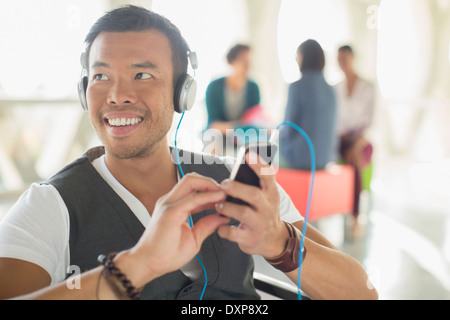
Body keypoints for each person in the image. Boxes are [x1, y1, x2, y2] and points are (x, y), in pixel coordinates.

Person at [0, 6, 377, 300]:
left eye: (142, 75)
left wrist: (280, 244)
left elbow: (362, 292)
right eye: (100, 76)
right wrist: (133, 268)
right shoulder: (49, 206)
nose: (116, 95)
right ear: (85, 90)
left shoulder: (237, 186)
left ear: (182, 93)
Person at [335, 45, 375, 237]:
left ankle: (355, 216)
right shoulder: (336, 89)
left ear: (353, 58)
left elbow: (371, 124)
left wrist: (356, 145)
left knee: (355, 159)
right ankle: (350, 214)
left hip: (362, 141)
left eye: (345, 58)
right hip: (341, 141)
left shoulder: (368, 87)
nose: (342, 62)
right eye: (339, 58)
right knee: (349, 158)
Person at [280, 39, 338, 170]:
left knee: (256, 153)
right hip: (326, 157)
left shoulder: (297, 86)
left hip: (301, 158)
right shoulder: (331, 89)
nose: (296, 59)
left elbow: (288, 127)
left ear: (304, 58)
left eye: (298, 55)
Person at [204, 44, 263, 154]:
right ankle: (213, 170)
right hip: (221, 133)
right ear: (231, 61)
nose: (247, 65)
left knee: (260, 137)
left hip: (244, 134)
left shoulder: (253, 87)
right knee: (213, 135)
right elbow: (214, 124)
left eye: (249, 60)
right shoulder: (214, 86)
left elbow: (254, 119)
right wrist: (237, 127)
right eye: (243, 60)